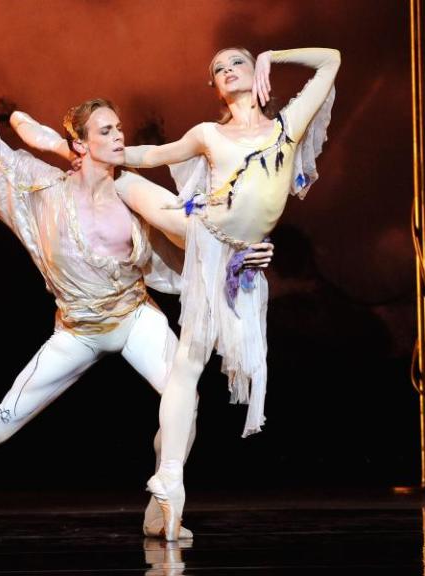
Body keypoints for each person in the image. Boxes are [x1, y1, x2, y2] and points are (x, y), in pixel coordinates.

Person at [0, 60, 273, 544]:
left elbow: (201, 225)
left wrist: (249, 248)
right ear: (81, 144)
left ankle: (160, 504)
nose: (118, 136)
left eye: (119, 128)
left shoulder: (133, 190)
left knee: (184, 399)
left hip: (133, 317)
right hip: (77, 332)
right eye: (106, 130)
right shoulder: (42, 187)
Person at [115, 47, 340, 540]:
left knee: (192, 365)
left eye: (237, 62)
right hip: (199, 235)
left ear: (254, 73)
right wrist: (105, 152)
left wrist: (274, 56)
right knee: (126, 181)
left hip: (241, 258)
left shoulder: (287, 126)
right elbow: (155, 155)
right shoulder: (207, 134)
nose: (228, 70)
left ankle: (164, 497)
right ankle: (170, 485)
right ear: (214, 88)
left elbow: (332, 60)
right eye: (218, 68)